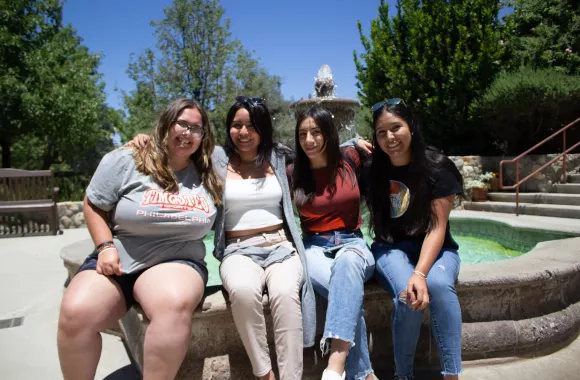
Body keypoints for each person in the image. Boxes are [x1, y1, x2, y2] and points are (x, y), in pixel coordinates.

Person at [128, 96, 315, 380]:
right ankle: (264, 374)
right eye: (236, 125)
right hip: (238, 250)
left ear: (263, 129)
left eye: (251, 126)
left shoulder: (278, 157)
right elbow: (179, 143)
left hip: (281, 246)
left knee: (286, 295)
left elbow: (314, 148)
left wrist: (353, 147)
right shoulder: (217, 158)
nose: (243, 133)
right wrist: (145, 140)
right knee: (241, 291)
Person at [57, 98, 223, 380]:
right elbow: (94, 204)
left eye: (197, 128)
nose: (188, 133)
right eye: (182, 124)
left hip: (178, 259)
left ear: (203, 136)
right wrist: (106, 246)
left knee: (173, 303)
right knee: (76, 312)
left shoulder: (213, 164)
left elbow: (254, 147)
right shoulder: (127, 159)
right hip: (119, 256)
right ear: (166, 124)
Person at [366, 99, 464, 380]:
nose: (389, 138)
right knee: (407, 296)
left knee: (438, 285)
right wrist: (349, 146)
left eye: (396, 128)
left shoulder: (438, 167)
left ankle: (451, 374)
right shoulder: (373, 170)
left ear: (412, 126)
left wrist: (420, 272)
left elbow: (437, 227)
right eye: (381, 132)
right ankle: (403, 375)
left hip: (438, 247)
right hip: (391, 248)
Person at [289, 108, 376, 380]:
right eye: (303, 134)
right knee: (347, 296)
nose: (309, 140)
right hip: (313, 248)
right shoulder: (292, 172)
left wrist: (354, 141)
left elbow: (376, 150)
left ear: (328, 133)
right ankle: (364, 375)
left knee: (349, 263)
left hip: (353, 243)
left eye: (316, 132)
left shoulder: (349, 159)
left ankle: (335, 368)